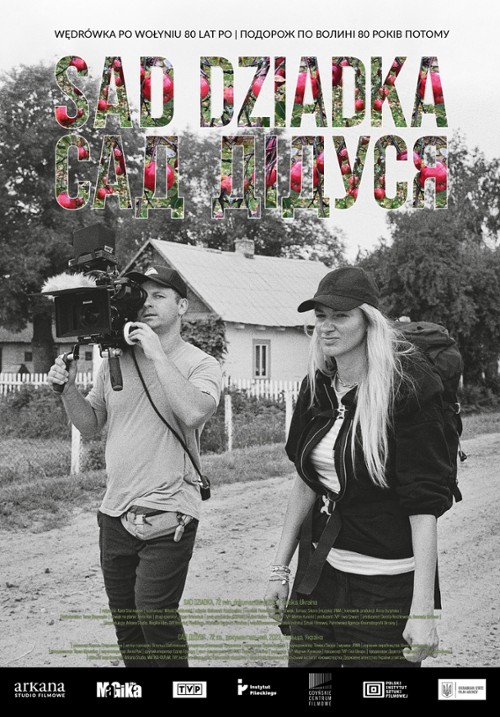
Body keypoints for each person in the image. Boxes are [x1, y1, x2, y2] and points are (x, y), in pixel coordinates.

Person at [265, 266, 454, 668]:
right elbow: (305, 482)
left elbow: (423, 505)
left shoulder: (407, 389)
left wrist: (422, 611)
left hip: (384, 591)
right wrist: (279, 570)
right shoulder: (317, 386)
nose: (326, 326)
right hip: (320, 576)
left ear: (368, 322)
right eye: (320, 316)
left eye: (340, 316)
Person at [48, 265, 222, 667]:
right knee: (127, 626)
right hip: (114, 511)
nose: (148, 304)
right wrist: (67, 388)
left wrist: (157, 353)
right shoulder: (115, 360)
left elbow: (195, 412)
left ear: (182, 306)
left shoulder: (200, 363)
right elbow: (90, 424)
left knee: (155, 615)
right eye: (143, 296)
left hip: (170, 509)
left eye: (160, 296)